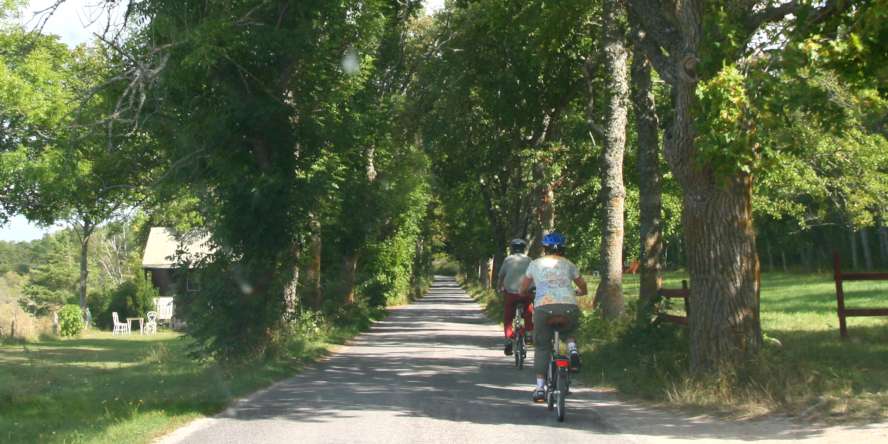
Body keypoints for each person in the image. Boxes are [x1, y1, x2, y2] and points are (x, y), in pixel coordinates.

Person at [518, 232, 587, 403]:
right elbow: (582, 286)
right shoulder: (569, 265)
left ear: (544, 249)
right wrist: (579, 293)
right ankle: (572, 349)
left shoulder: (535, 264)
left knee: (542, 346)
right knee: (568, 329)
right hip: (569, 305)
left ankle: (540, 388)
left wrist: (524, 293)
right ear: (562, 251)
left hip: (544, 307)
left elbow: (523, 287)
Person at [497, 238, 534, 356]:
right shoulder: (529, 260)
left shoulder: (508, 260)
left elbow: (501, 276)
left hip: (511, 293)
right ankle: (528, 333)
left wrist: (499, 288)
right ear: (523, 249)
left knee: (508, 317)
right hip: (526, 293)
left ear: (512, 249)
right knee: (528, 311)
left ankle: (508, 338)